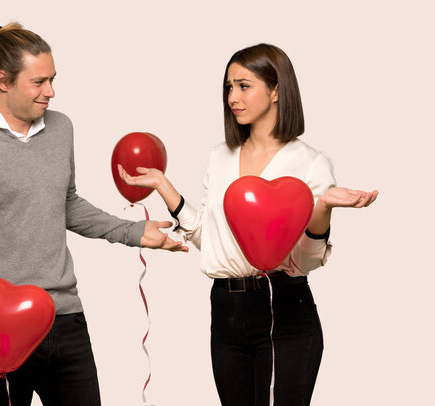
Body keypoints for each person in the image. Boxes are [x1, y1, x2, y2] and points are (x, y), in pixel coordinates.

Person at [0, 16, 187, 406]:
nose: (51, 92)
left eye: (53, 79)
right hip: (0, 326)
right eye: (39, 82)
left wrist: (133, 232)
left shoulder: (60, 129)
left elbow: (67, 204)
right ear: (3, 81)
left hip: (65, 318)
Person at [118, 43, 378, 406]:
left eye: (244, 85)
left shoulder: (310, 162)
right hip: (225, 310)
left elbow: (307, 261)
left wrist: (323, 209)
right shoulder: (220, 156)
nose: (232, 97)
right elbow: (210, 241)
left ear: (275, 90)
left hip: (282, 307)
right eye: (228, 87)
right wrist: (165, 187)